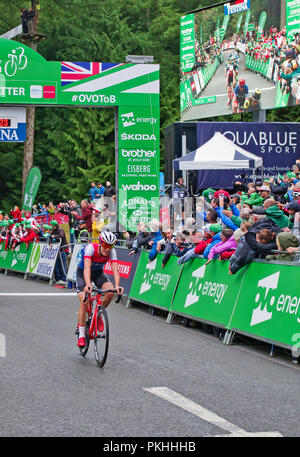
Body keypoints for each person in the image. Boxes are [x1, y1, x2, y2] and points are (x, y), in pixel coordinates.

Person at [75, 231, 124, 348]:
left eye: (110, 246)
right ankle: (82, 335)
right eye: (105, 245)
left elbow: (115, 269)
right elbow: (87, 267)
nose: (107, 249)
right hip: (83, 273)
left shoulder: (112, 251)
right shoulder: (90, 248)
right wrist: (88, 284)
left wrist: (117, 285)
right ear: (100, 243)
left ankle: (98, 315)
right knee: (85, 301)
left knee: (110, 292)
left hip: (98, 274)